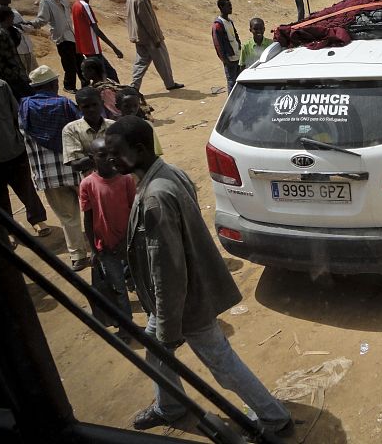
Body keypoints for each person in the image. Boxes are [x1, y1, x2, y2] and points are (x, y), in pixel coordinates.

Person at [105, 116, 293, 435]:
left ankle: (274, 417)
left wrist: (167, 325)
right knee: (156, 350)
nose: (110, 159)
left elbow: (168, 270)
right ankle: (170, 405)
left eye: (115, 152)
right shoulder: (167, 173)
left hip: (184, 302)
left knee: (220, 362)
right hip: (179, 297)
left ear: (138, 150)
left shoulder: (155, 198)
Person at [19, 65, 90, 270]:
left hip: (48, 175)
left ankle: (77, 256)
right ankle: (102, 249)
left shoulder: (24, 108)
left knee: (68, 217)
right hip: (77, 168)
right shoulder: (65, 105)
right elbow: (81, 130)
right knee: (94, 210)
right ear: (53, 84)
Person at [79, 137, 136, 340]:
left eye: (112, 154)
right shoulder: (87, 185)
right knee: (118, 290)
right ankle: (128, 328)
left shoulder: (126, 179)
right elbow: (88, 218)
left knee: (144, 284)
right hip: (106, 248)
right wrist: (94, 251)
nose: (109, 159)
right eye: (102, 155)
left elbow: (135, 211)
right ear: (91, 158)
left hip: (131, 245)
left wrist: (129, 242)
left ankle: (155, 325)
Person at [0, 77, 51, 239]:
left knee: (25, 186)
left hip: (12, 148)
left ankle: (37, 220)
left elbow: (16, 114)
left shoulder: (0, 86)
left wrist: (21, 139)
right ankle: (8, 229)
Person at [125, 0, 183, 93]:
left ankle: (134, 86)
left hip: (138, 36)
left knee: (141, 62)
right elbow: (147, 21)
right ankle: (170, 84)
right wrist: (155, 37)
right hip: (149, 37)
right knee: (162, 60)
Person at [33, 0, 84, 92]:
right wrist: (32, 24)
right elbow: (42, 19)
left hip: (71, 34)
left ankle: (85, 84)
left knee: (80, 60)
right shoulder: (45, 2)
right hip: (61, 37)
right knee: (69, 63)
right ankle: (68, 86)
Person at [71, 0, 123, 82]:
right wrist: (114, 48)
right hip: (92, 49)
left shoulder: (75, 5)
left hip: (85, 49)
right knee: (109, 75)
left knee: (96, 76)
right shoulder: (84, 6)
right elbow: (96, 30)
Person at [62, 87, 115, 177]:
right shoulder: (71, 130)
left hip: (118, 180)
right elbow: (76, 165)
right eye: (86, 107)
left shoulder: (114, 126)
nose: (91, 109)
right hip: (91, 185)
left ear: (102, 103)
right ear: (79, 108)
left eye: (95, 104)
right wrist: (109, 156)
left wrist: (91, 158)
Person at [0, 7, 32, 100]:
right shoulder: (0, 34)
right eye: (12, 16)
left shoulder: (8, 31)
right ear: (8, 17)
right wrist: (4, 73)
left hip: (14, 73)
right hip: (11, 75)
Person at [0, 0, 37, 73]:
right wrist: (21, 27)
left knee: (36, 75)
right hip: (18, 52)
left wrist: (23, 26)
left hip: (28, 48)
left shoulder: (14, 11)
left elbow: (26, 27)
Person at [115, 87, 162, 156]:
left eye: (135, 105)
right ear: (117, 106)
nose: (132, 109)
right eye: (126, 106)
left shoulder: (147, 125)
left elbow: (156, 152)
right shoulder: (114, 129)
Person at [211, 0, 241, 93]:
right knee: (232, 82)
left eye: (230, 5)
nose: (230, 7)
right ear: (221, 7)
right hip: (229, 58)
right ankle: (232, 103)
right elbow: (218, 44)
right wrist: (224, 59)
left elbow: (235, 36)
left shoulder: (230, 21)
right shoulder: (218, 25)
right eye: (228, 6)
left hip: (237, 55)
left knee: (238, 80)